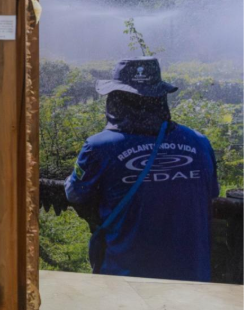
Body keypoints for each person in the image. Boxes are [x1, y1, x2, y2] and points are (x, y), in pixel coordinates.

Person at [65, 57, 219, 282]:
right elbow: (211, 193)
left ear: (116, 99)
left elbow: (75, 193)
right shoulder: (199, 142)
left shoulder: (99, 147)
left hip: (126, 279)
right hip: (192, 278)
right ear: (160, 98)